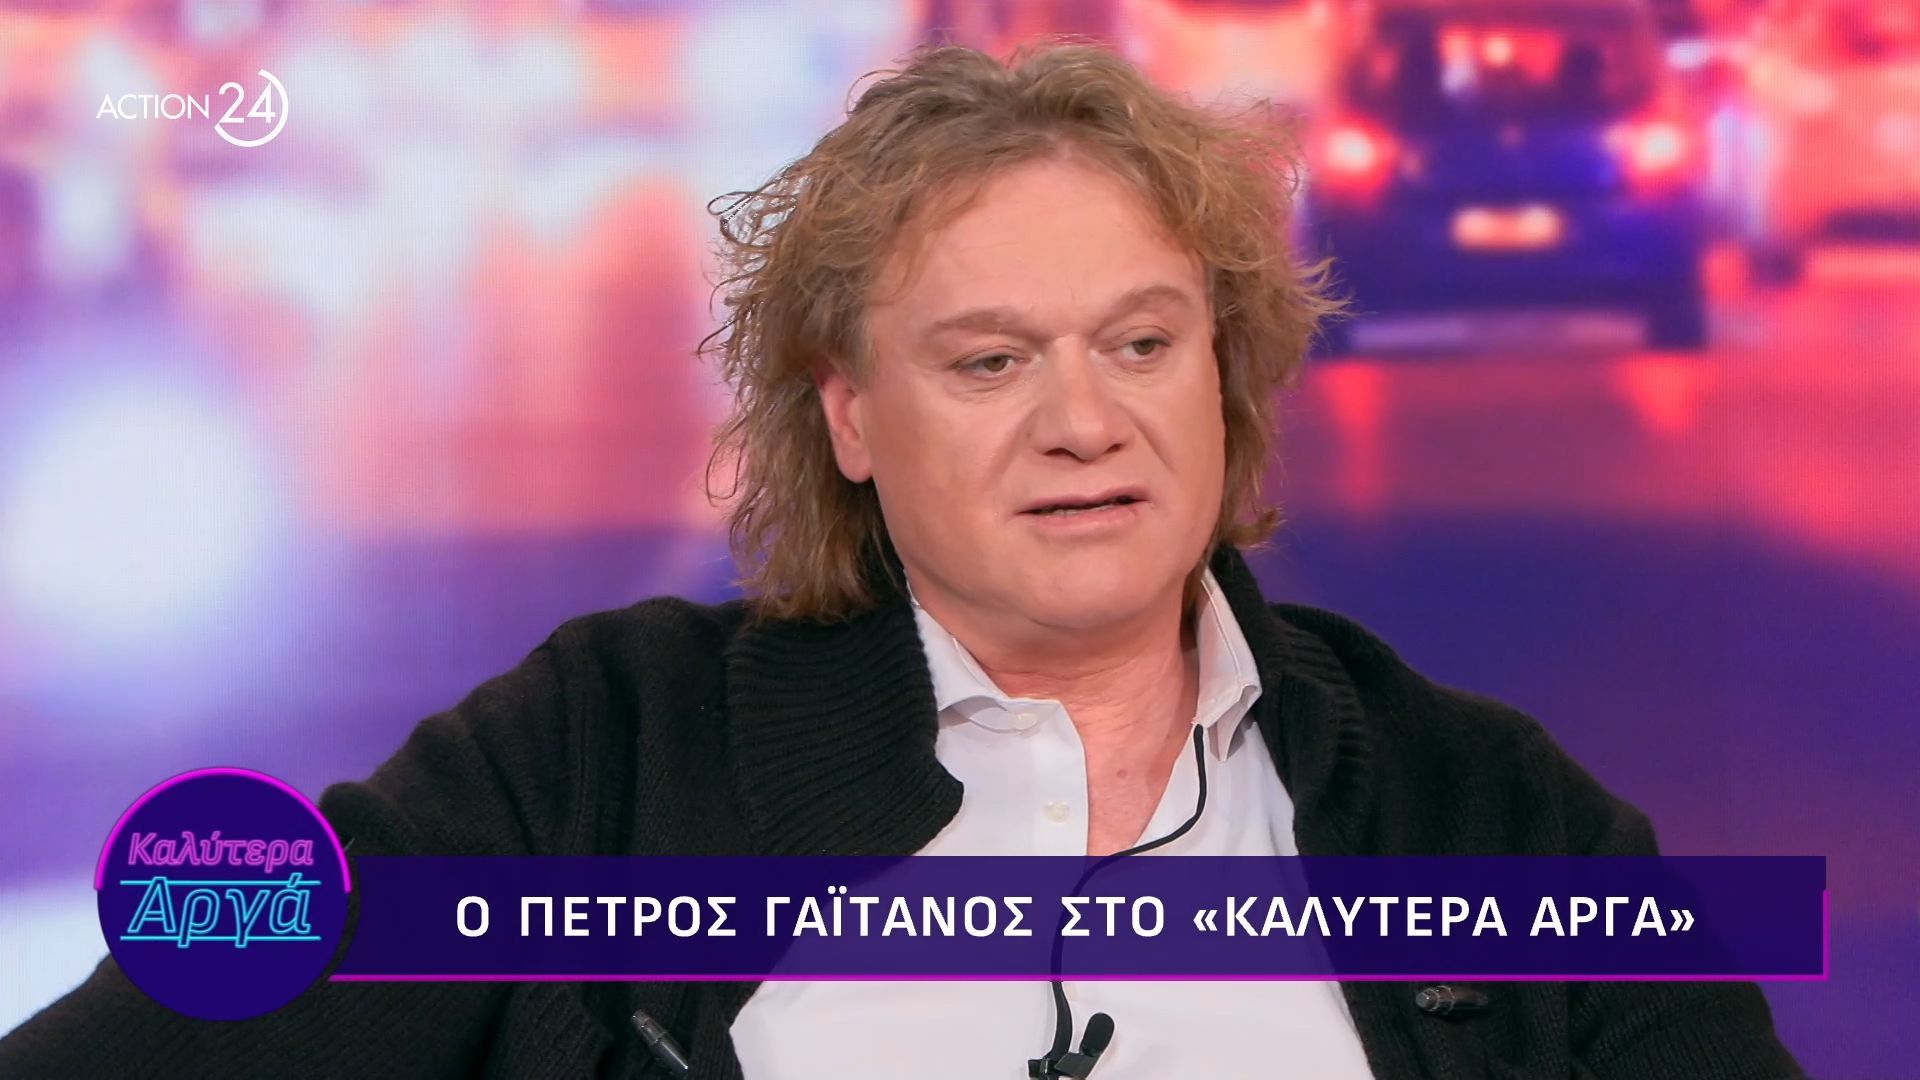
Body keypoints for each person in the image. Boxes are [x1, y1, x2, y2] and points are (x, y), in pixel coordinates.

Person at [0, 41, 1804, 1079]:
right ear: (851, 415)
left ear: (1227, 373)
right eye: (991, 362)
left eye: (1143, 343)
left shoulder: (1488, 812)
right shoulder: (593, 755)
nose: (1086, 422)